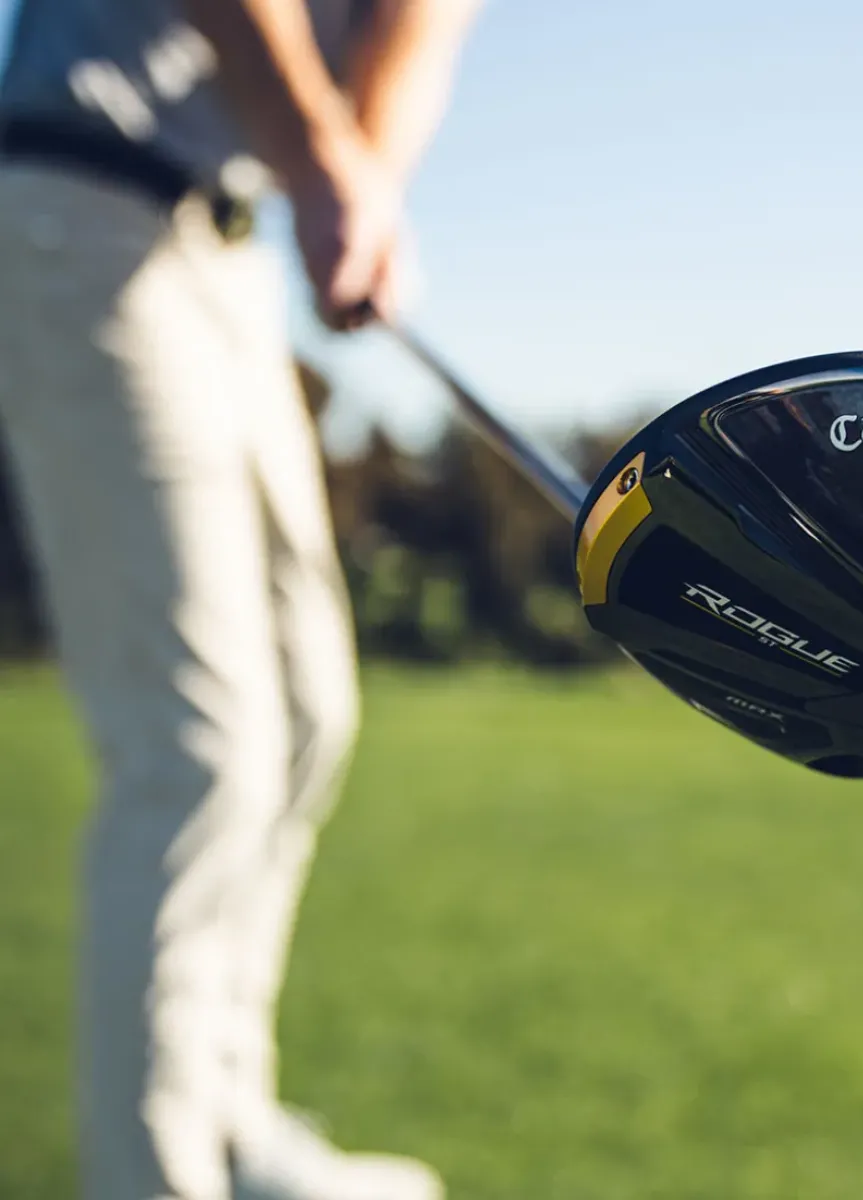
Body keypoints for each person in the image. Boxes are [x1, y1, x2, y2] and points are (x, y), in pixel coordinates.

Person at [0, 1, 482, 1197]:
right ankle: (152, 1176)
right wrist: (319, 162)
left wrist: (361, 178)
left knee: (310, 713)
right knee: (195, 750)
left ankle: (228, 1129)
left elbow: (421, 22)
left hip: (224, 243)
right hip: (84, 187)